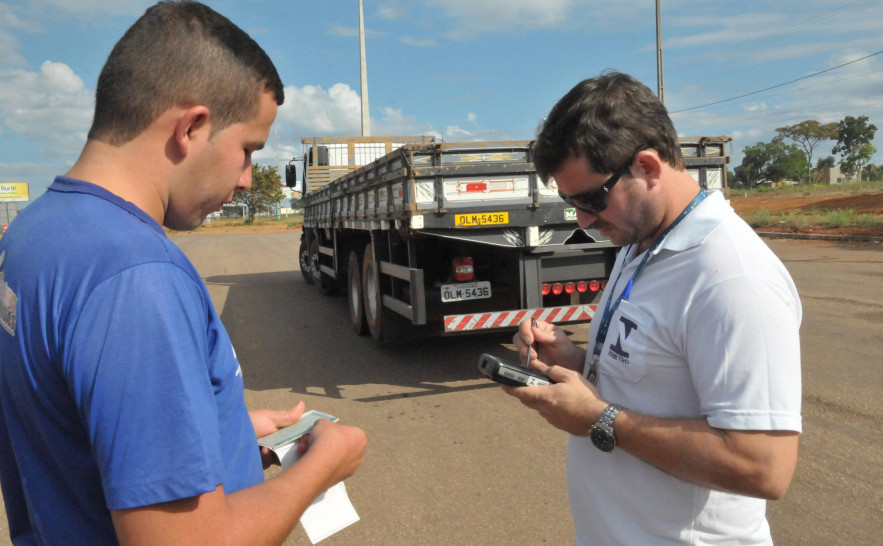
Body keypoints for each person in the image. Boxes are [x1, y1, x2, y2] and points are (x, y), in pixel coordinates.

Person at [0, 2, 366, 543]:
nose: (247, 179)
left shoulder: (32, 233)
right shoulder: (137, 277)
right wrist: (321, 468)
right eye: (248, 150)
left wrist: (225, 435)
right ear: (191, 128)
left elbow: (75, 434)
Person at [504, 72, 802, 545]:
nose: (583, 219)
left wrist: (600, 419)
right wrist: (575, 361)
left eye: (591, 199)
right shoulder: (641, 243)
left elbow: (763, 466)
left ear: (646, 166)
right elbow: (650, 379)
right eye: (569, 201)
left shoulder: (733, 279)